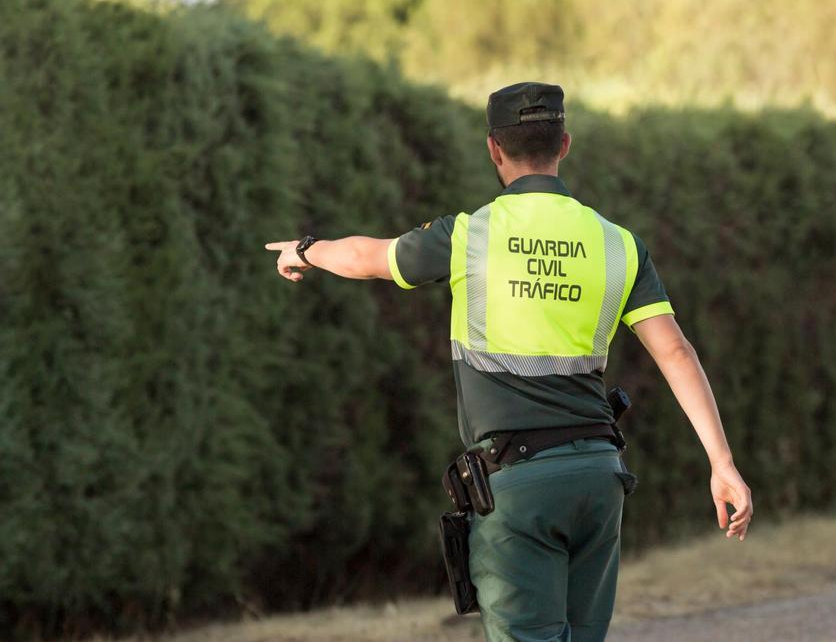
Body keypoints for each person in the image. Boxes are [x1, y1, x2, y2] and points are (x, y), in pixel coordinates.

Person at [265, 82, 753, 641]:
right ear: (564, 144)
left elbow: (364, 256)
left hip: (517, 489)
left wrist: (305, 250)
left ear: (494, 149)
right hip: (599, 478)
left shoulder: (470, 236)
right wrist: (721, 462)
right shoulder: (618, 244)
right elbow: (675, 351)